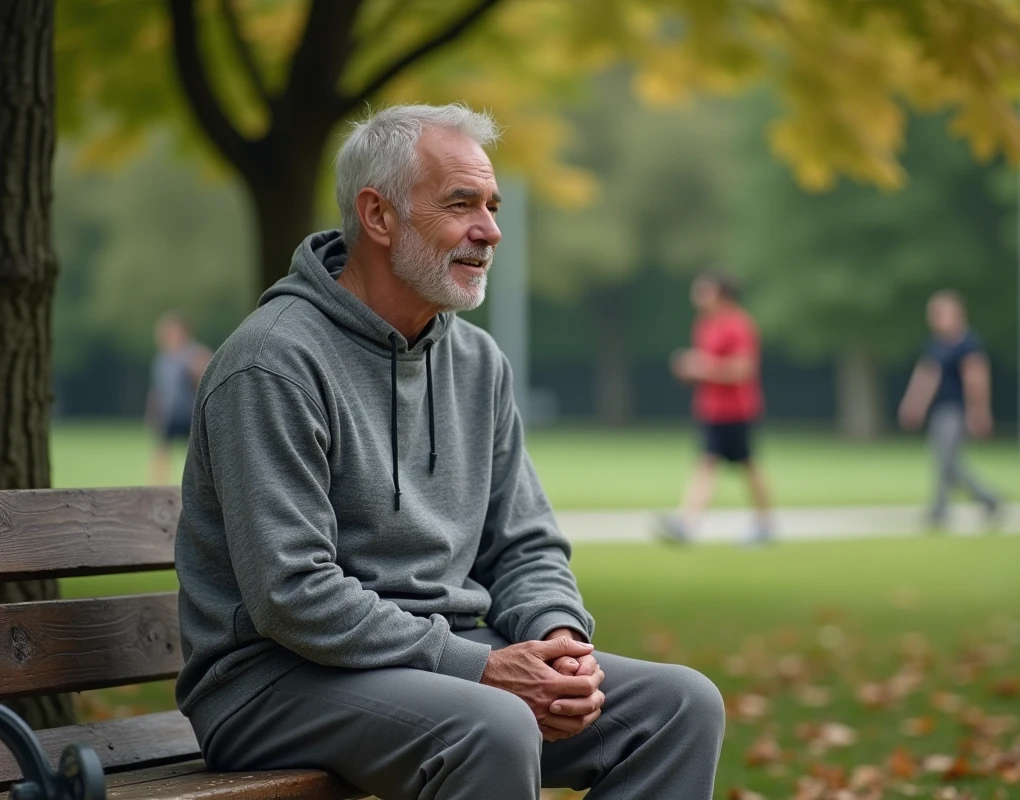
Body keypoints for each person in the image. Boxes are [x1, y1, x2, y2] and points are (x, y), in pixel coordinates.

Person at [172, 104, 725, 800]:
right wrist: (481, 669)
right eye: (461, 204)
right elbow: (292, 595)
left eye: (492, 206)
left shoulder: (476, 362)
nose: (490, 231)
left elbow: (525, 546)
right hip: (273, 682)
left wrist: (559, 644)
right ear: (378, 216)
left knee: (680, 708)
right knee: (492, 724)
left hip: (448, 661)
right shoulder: (272, 362)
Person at [658, 271, 772, 545]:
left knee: (745, 464)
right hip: (712, 409)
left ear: (722, 294)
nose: (696, 296)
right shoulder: (704, 325)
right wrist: (691, 371)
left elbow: (744, 369)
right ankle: (688, 522)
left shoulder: (739, 325)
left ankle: (763, 523)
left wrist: (704, 367)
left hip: (737, 410)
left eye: (703, 290)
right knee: (708, 463)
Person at [898, 290, 1003, 530]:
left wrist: (979, 411)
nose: (934, 319)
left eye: (939, 313)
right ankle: (983, 500)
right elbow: (927, 375)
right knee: (946, 461)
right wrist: (914, 403)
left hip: (956, 411)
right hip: (940, 410)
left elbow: (976, 378)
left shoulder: (967, 343)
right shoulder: (936, 344)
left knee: (947, 461)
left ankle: (946, 508)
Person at [145, 312, 210, 485]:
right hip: (168, 414)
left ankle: (198, 485)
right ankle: (157, 488)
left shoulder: (194, 353)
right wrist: (153, 412)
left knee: (194, 453)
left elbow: (206, 377)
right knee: (161, 452)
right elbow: (159, 389)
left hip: (189, 412)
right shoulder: (162, 359)